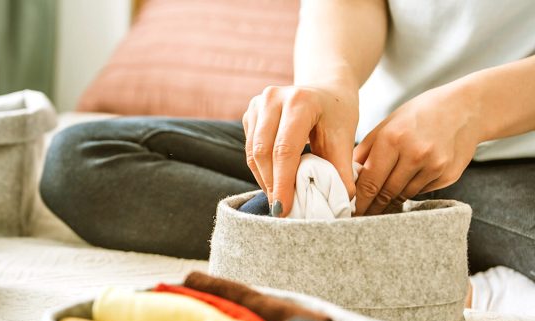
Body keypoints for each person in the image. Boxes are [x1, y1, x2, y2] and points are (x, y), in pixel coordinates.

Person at [40, 0, 535, 284]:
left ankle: (314, 247)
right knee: (78, 160)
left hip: (517, 162)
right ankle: (388, 254)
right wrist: (328, 84)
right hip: (360, 151)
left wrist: (476, 108)